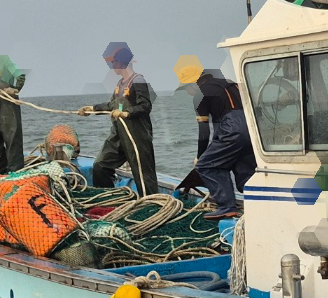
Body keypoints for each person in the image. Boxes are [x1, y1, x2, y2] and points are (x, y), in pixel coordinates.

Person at [176, 64, 256, 220]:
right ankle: (260, 204)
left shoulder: (200, 94)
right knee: (244, 172)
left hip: (233, 129)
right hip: (252, 130)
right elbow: (221, 129)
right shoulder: (230, 84)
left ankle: (227, 206)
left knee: (207, 166)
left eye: (187, 88)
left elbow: (204, 130)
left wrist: (200, 157)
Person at [80, 42, 158, 195]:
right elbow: (112, 105)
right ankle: (108, 197)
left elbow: (145, 106)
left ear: (121, 62)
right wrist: (92, 109)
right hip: (118, 135)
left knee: (143, 175)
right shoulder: (119, 84)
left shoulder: (138, 81)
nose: (112, 65)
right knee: (100, 165)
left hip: (137, 136)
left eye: (113, 62)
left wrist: (126, 113)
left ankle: (151, 203)